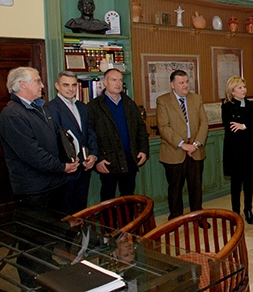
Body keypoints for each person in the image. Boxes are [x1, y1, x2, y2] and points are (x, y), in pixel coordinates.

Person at [0, 67, 80, 287]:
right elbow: (32, 154)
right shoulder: (12, 115)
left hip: (53, 185)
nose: (42, 85)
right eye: (37, 81)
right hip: (33, 190)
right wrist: (62, 166)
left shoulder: (40, 108)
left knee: (48, 239)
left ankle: (48, 279)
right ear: (22, 85)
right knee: (32, 243)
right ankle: (32, 284)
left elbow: (58, 137)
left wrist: (70, 158)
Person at [88, 69, 149, 201]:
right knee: (107, 198)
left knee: (128, 196)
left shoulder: (129, 104)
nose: (118, 83)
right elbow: (89, 135)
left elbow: (141, 128)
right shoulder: (94, 106)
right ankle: (108, 223)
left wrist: (143, 150)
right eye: (114, 80)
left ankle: (128, 222)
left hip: (130, 160)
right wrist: (97, 159)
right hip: (108, 161)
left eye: (120, 80)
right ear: (105, 82)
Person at [156, 70, 208, 220]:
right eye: (181, 83)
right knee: (175, 188)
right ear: (172, 85)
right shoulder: (163, 101)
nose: (185, 85)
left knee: (196, 187)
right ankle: (176, 217)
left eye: (187, 82)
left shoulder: (196, 99)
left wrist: (196, 143)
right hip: (174, 151)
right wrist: (182, 144)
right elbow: (163, 127)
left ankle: (198, 215)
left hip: (196, 150)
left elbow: (204, 122)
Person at [46, 70, 99, 214]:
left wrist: (93, 155)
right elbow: (54, 141)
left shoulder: (82, 106)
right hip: (66, 171)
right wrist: (66, 164)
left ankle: (81, 237)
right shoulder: (50, 108)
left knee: (81, 211)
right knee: (65, 213)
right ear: (57, 86)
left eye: (74, 85)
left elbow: (90, 132)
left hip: (84, 168)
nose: (70, 89)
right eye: (66, 85)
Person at [222, 76, 253, 225]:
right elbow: (232, 129)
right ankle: (235, 211)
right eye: (240, 87)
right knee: (235, 183)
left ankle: (248, 209)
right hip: (234, 152)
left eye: (244, 87)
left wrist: (244, 126)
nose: (244, 90)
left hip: (250, 151)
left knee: (249, 182)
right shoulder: (226, 106)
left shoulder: (251, 104)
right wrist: (250, 128)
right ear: (232, 91)